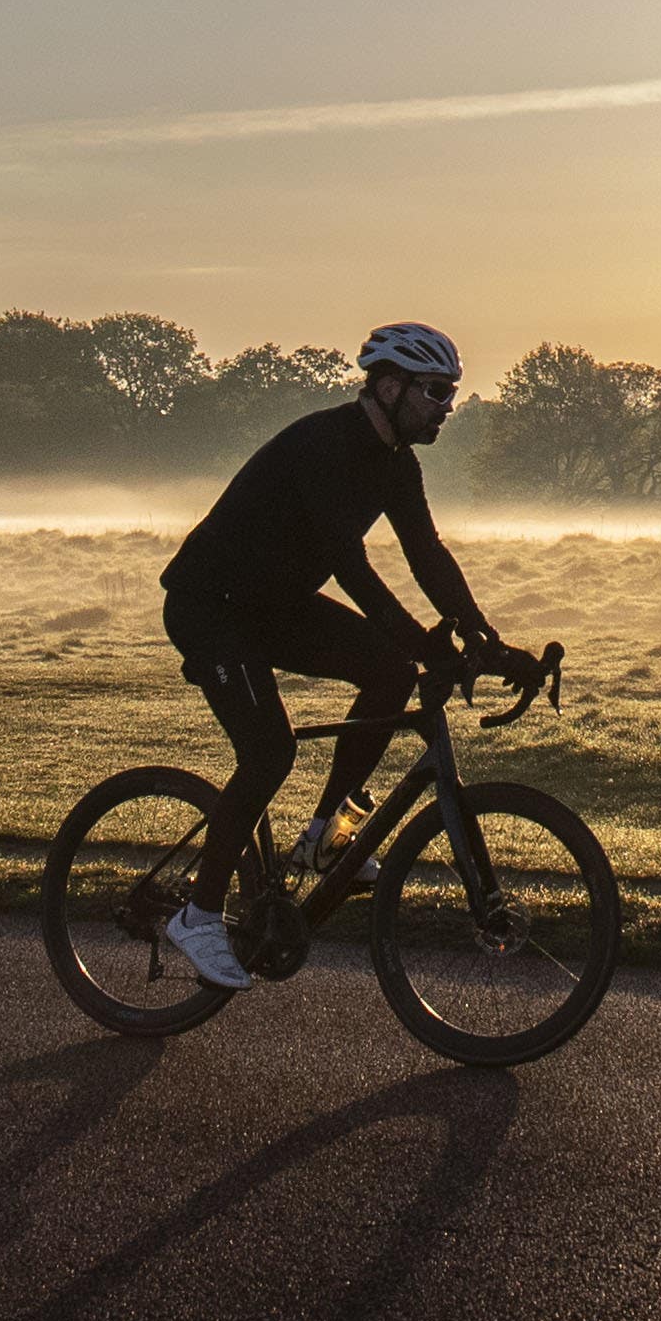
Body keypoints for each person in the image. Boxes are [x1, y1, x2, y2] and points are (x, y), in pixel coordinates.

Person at [154, 321, 538, 987]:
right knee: (269, 750)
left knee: (391, 671)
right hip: (210, 606)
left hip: (273, 604)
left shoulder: (396, 464)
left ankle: (327, 829)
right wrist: (425, 641)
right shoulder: (325, 444)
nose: (447, 404)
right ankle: (197, 913)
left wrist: (483, 635)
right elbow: (350, 565)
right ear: (389, 387)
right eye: (436, 391)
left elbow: (427, 554)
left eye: (451, 392)